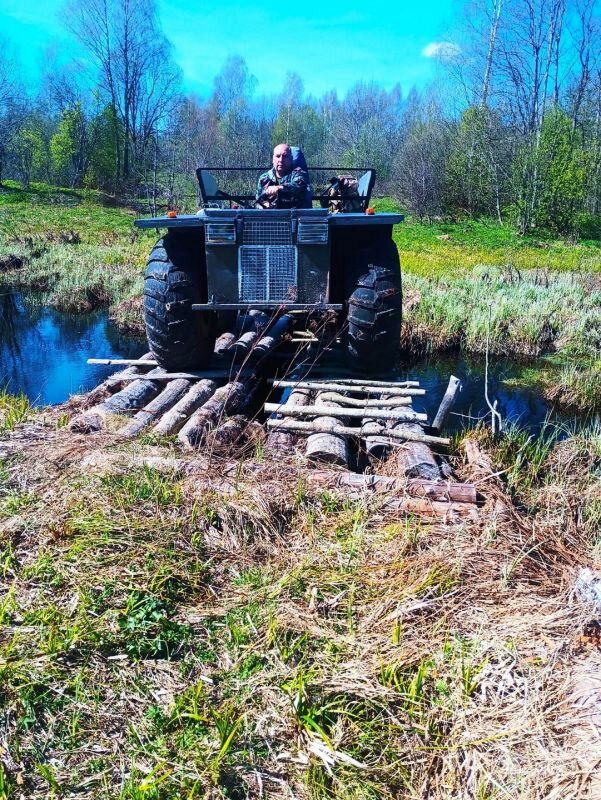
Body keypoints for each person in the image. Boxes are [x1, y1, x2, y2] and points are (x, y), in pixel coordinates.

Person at [256, 144, 311, 208]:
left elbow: (299, 186)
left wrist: (279, 188)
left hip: (294, 215)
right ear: (273, 160)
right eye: (278, 156)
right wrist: (264, 205)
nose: (281, 160)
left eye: (285, 156)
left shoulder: (299, 173)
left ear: (291, 159)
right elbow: (258, 201)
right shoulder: (264, 178)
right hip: (270, 216)